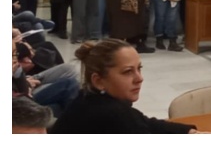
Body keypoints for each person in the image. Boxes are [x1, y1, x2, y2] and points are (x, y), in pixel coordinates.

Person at [49, 39, 202, 133]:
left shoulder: (88, 98)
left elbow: (144, 122)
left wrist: (188, 131)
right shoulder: (113, 114)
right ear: (98, 81)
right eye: (128, 72)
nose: (139, 78)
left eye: (139, 69)